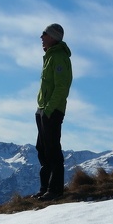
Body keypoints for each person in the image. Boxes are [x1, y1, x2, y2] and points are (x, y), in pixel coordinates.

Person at [33, 23, 73, 201]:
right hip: (43, 109)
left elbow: (62, 87)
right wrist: (41, 109)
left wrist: (49, 109)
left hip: (52, 110)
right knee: (42, 149)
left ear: (53, 37)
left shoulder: (58, 57)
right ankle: (45, 189)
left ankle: (55, 190)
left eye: (44, 34)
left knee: (52, 150)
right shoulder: (50, 56)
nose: (41, 37)